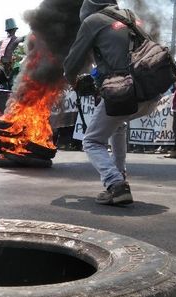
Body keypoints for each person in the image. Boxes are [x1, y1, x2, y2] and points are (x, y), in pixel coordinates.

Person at [64, 0, 159, 206]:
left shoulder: (93, 21)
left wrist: (74, 82)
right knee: (118, 126)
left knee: (92, 141)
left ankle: (115, 183)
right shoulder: (131, 17)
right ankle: (120, 177)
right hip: (152, 91)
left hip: (123, 92)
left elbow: (70, 65)